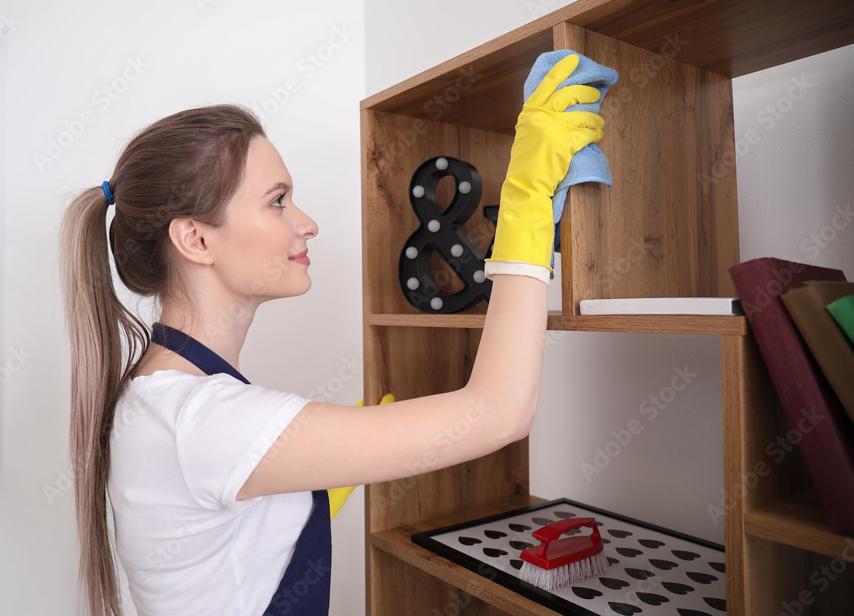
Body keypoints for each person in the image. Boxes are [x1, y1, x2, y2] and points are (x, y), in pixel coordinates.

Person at [57, 53, 604, 616]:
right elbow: (498, 413)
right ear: (196, 240)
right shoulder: (200, 421)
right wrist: (525, 206)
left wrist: (307, 488)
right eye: (277, 201)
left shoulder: (160, 394)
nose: (307, 222)